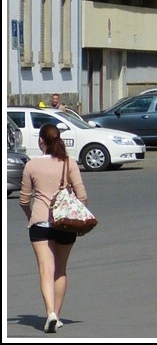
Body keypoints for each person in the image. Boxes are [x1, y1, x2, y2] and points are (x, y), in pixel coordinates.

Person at [19, 123, 88, 333]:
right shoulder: (69, 163)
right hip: (65, 223)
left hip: (40, 223)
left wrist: (31, 216)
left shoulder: (31, 165)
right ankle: (56, 316)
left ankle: (49, 312)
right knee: (60, 270)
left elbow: (24, 200)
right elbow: (82, 196)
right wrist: (76, 214)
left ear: (41, 140)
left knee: (45, 270)